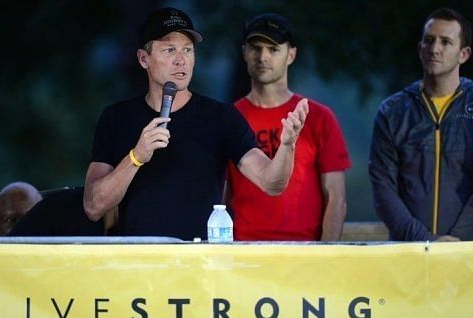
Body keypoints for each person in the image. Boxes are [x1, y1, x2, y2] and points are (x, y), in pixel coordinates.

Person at [83, 7, 308, 240]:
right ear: (143, 58)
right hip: (139, 263)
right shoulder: (116, 118)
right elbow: (93, 206)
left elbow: (271, 183)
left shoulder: (221, 117)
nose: (181, 60)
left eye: (187, 50)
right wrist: (135, 157)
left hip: (201, 264)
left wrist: (287, 145)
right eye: (170, 50)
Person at [225, 13, 351, 241]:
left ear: (291, 54)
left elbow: (336, 198)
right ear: (244, 52)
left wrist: (326, 256)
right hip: (243, 251)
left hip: (304, 251)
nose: (263, 56)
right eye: (255, 48)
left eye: (273, 49)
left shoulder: (319, 117)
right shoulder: (228, 118)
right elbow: (219, 197)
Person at [369, 8, 473, 241]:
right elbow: (384, 191)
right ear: (420, 48)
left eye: (446, 42)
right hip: (409, 254)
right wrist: (426, 241)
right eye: (429, 41)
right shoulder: (392, 111)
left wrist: (457, 241)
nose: (434, 49)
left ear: (464, 54)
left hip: (469, 254)